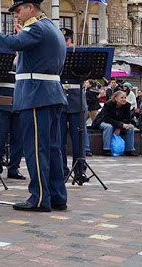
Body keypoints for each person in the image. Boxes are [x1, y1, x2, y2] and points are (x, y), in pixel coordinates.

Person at [0, 0, 68, 212]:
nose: (17, 16)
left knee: (36, 149)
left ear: (31, 8)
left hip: (36, 95)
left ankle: (40, 198)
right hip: (49, 94)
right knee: (52, 149)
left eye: (19, 10)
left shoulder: (37, 28)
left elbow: (10, 42)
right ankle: (57, 196)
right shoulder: (50, 27)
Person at [59, 28, 88, 179]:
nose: (64, 43)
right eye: (62, 40)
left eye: (67, 40)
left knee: (79, 139)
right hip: (60, 100)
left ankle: (79, 170)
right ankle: (61, 171)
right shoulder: (55, 54)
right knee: (59, 139)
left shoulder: (79, 56)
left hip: (76, 101)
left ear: (71, 41)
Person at [0, 60, 25, 180]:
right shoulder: (2, 56)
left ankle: (14, 168)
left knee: (18, 139)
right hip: (2, 101)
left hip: (20, 101)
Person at [92, 90, 138, 156]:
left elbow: (127, 119)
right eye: (122, 98)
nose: (124, 99)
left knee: (130, 127)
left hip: (118, 123)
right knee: (108, 127)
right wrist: (120, 125)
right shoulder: (108, 104)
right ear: (116, 98)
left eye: (125, 97)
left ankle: (129, 150)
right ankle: (107, 149)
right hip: (104, 121)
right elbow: (106, 118)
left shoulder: (127, 105)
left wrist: (120, 127)